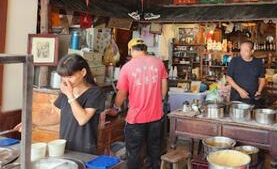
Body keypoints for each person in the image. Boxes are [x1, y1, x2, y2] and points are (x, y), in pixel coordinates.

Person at [15, 54, 105, 154]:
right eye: (63, 77)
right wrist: (33, 122)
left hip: (85, 149)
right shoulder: (66, 92)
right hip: (65, 146)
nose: (66, 81)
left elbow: (82, 119)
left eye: (70, 76)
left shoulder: (95, 92)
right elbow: (57, 115)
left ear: (83, 72)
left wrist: (70, 96)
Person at [108, 38, 168, 169]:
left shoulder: (127, 67)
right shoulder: (159, 63)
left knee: (133, 152)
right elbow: (164, 86)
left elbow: (122, 94)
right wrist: (161, 101)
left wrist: (115, 108)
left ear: (131, 50)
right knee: (154, 149)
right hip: (156, 116)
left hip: (136, 119)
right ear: (145, 49)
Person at [226, 40, 265, 105]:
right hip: (236, 98)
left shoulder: (258, 62)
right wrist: (240, 90)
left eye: (245, 50)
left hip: (252, 99)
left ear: (252, 51)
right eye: (241, 50)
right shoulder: (235, 61)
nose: (242, 53)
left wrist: (259, 91)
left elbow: (262, 79)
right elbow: (228, 77)